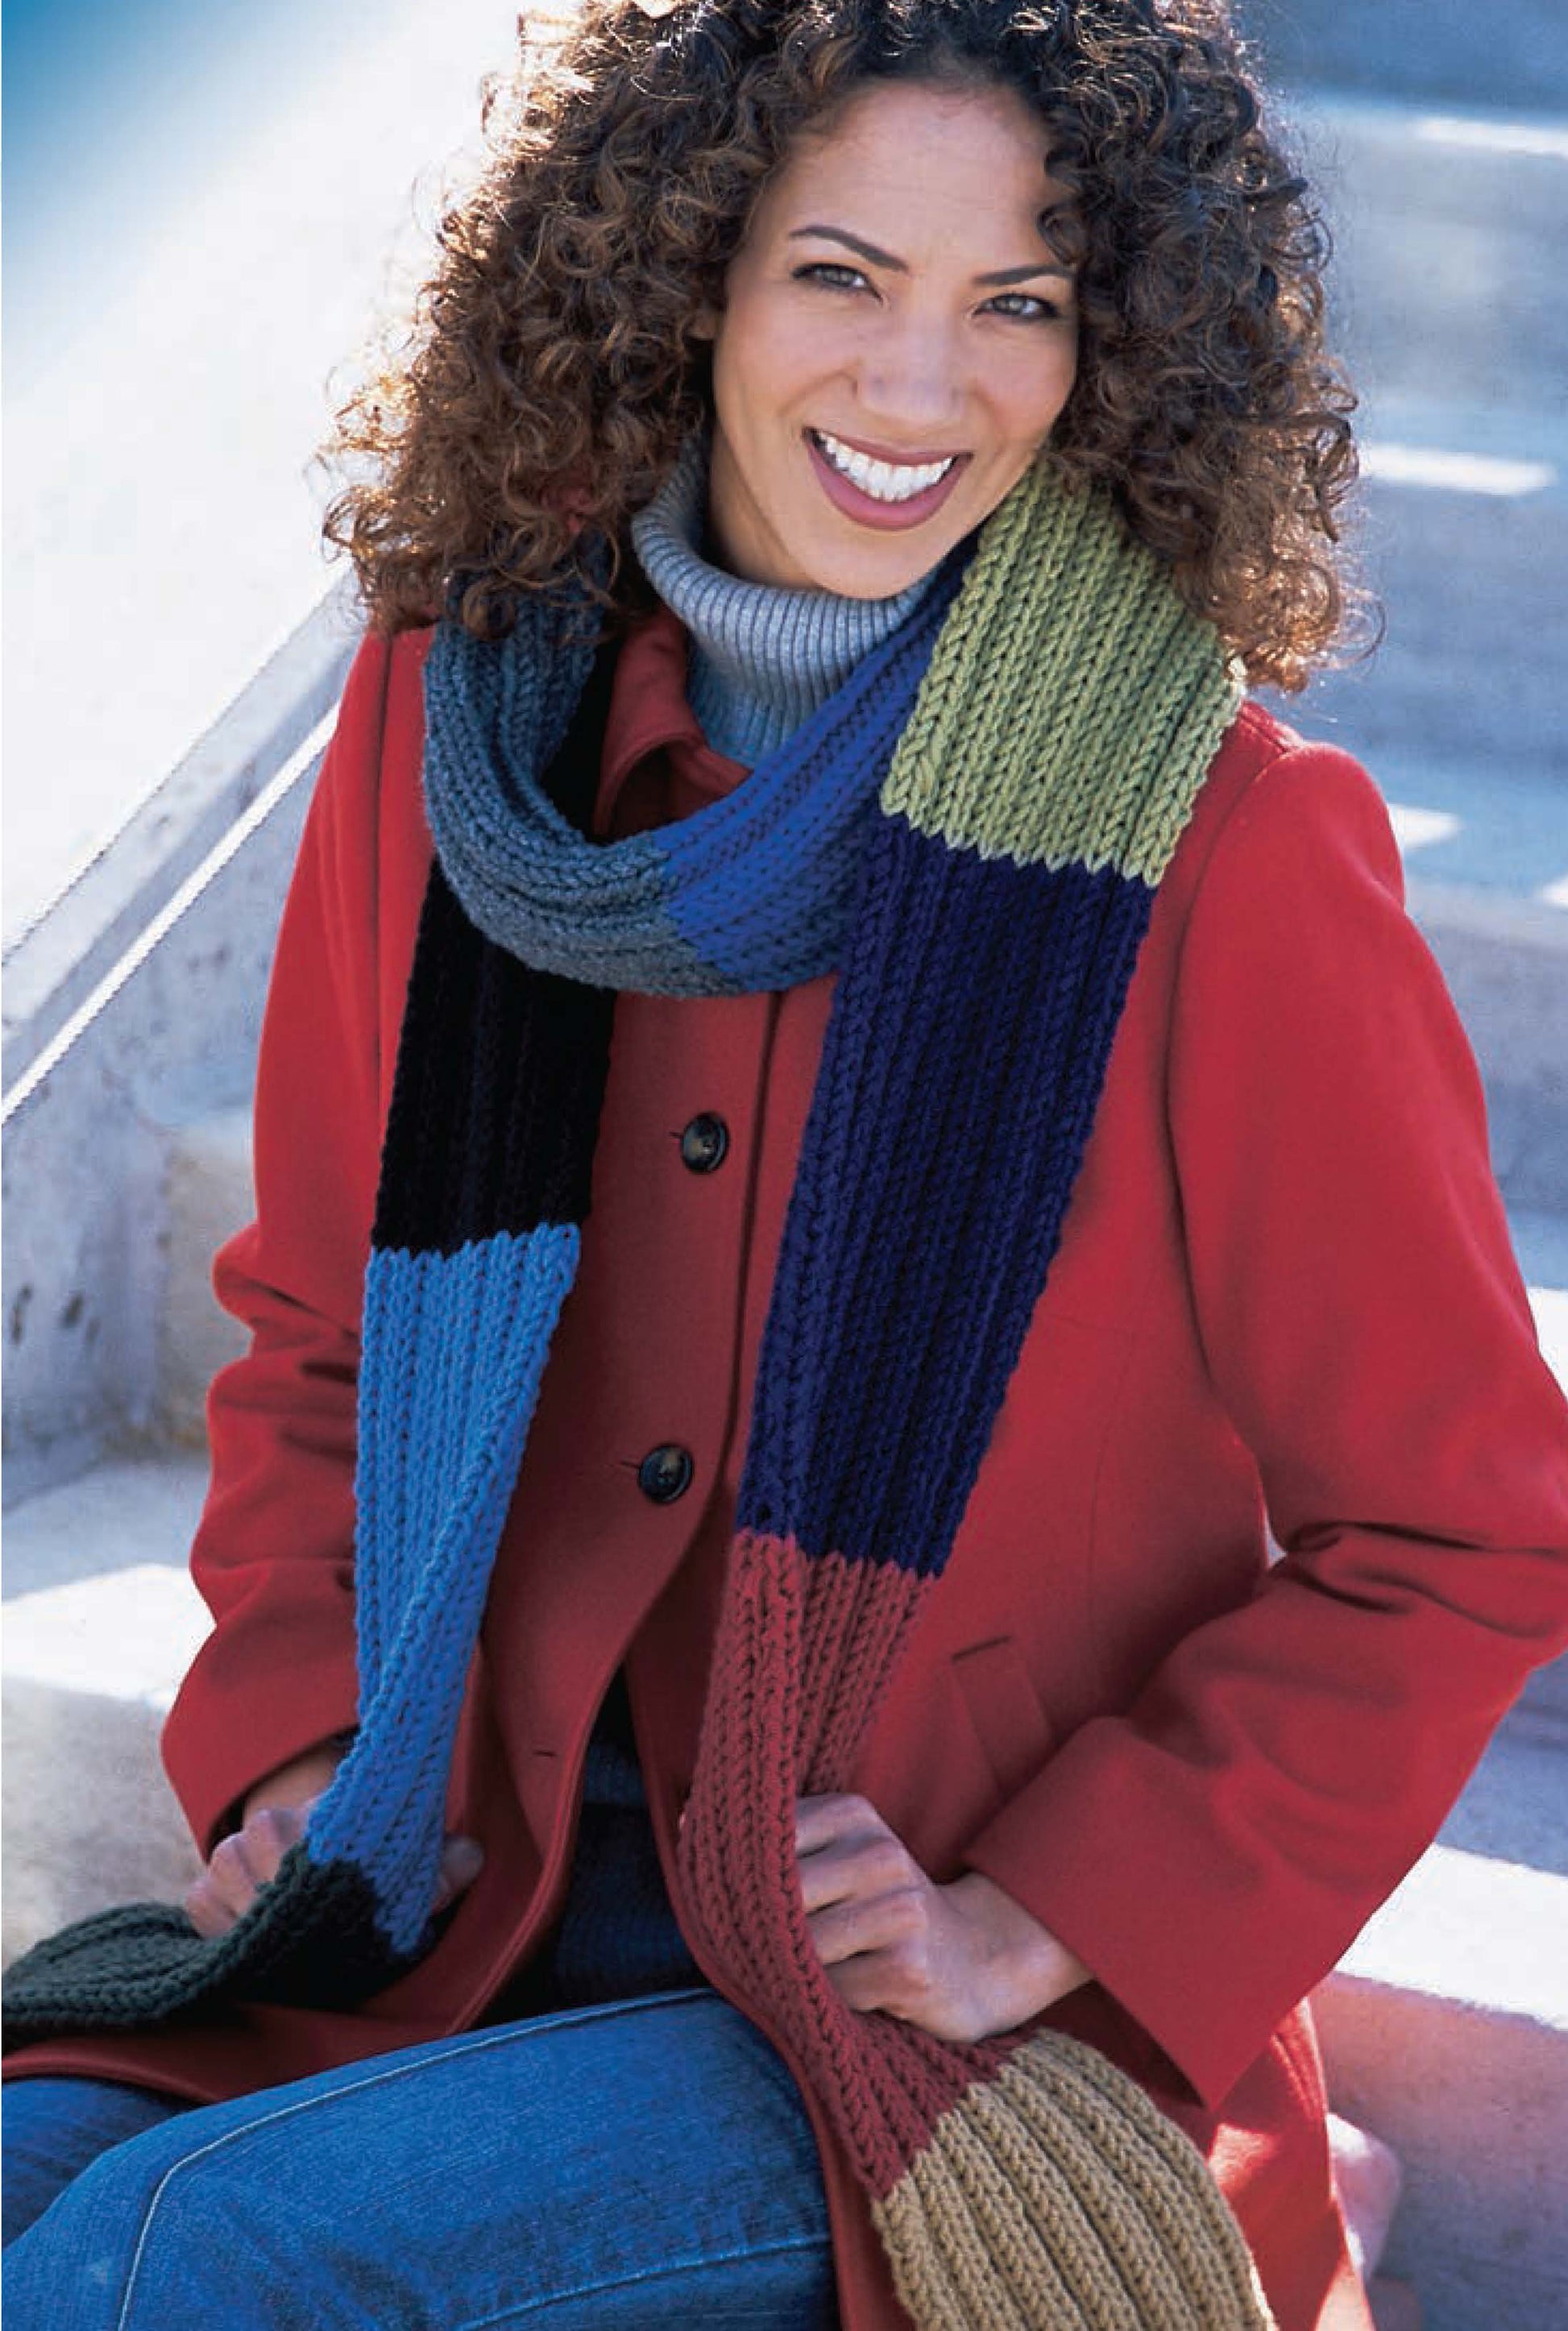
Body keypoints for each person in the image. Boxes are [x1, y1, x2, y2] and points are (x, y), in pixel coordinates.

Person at [5, 2, 1566, 2326]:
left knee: (181, 2252)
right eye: (842, 275)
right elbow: (323, 1325)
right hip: (486, 1883)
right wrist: (305, 1735)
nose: (920, 387)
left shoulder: (1221, 850)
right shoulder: (462, 732)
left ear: (1114, 347)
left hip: (898, 2013)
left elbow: (1459, 1531)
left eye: (1015, 304)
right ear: (685, 280)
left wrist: (1049, 1908)